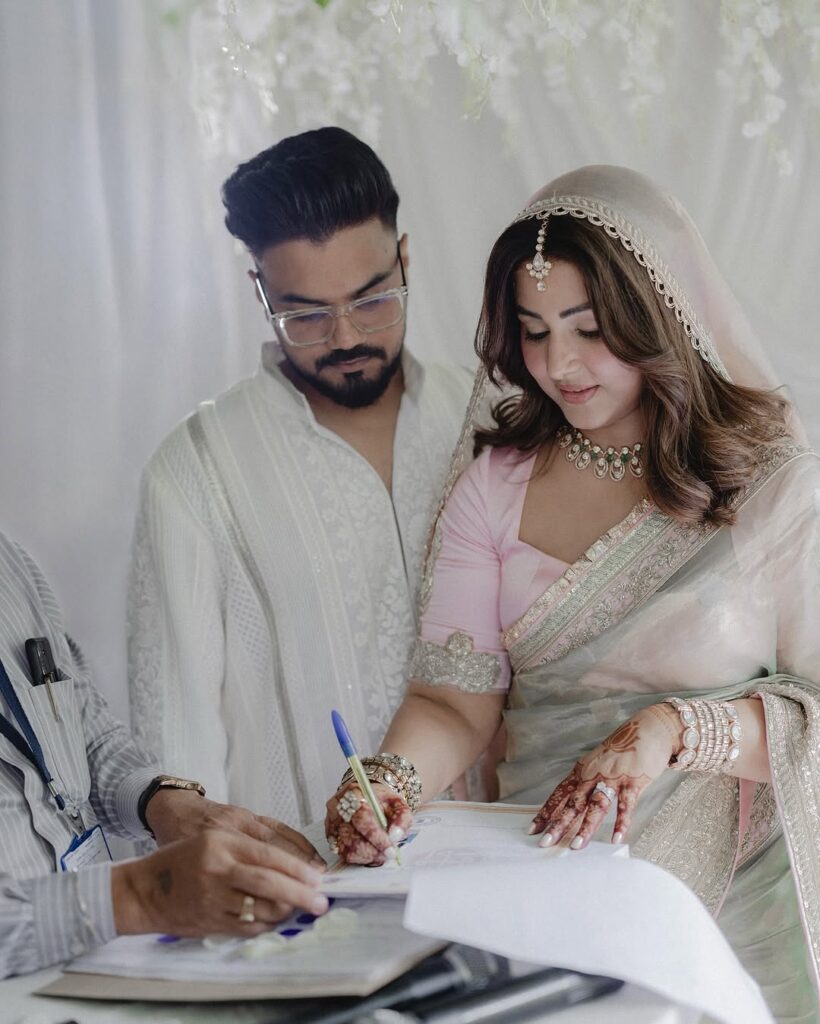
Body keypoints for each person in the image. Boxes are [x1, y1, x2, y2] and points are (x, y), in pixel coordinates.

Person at [325, 166, 820, 1020]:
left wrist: (673, 731)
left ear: (655, 316)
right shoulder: (494, 488)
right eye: (534, 331)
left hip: (730, 920)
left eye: (589, 329)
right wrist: (393, 779)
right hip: (546, 899)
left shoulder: (773, 483)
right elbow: (452, 702)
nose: (558, 364)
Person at [127, 127, 473, 827]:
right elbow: (175, 744)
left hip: (509, 862)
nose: (346, 337)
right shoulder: (196, 469)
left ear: (405, 260)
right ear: (260, 293)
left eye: (371, 300)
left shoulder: (486, 419)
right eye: (306, 314)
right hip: (307, 879)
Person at [0, 533, 328, 979]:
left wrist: (166, 803)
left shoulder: (11, 560)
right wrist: (142, 895)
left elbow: (81, 729)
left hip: (112, 962)